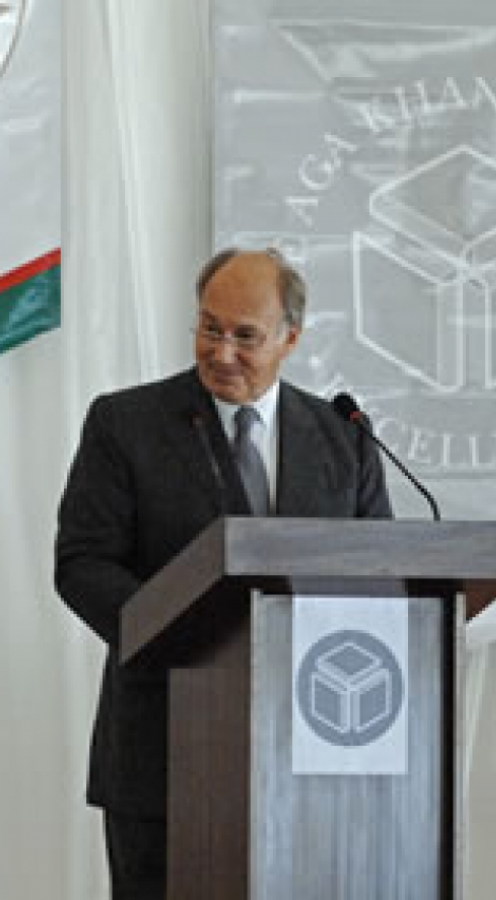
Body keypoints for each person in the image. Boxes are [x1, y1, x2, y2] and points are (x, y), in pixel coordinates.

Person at [55, 248, 392, 898]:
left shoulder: (342, 436)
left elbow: (382, 576)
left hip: (316, 751)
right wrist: (177, 630)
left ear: (290, 338)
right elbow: (82, 564)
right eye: (210, 328)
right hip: (165, 748)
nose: (222, 352)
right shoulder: (125, 424)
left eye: (245, 336)